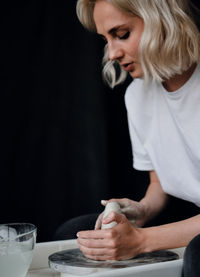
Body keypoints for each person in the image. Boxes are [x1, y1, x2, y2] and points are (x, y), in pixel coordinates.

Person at [57, 0, 200, 275]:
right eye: (106, 39)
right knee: (72, 232)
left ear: (162, 20)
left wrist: (141, 240)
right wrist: (142, 209)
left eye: (121, 35)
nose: (111, 54)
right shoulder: (137, 96)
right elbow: (159, 182)